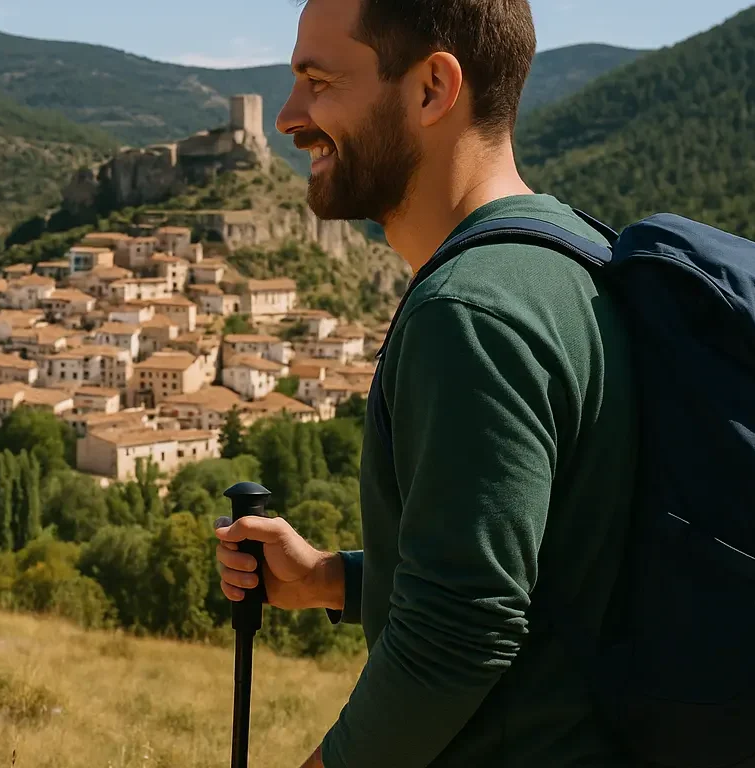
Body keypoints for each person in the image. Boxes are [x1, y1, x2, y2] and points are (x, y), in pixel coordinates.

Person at [213, 1, 637, 766]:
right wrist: (330, 580)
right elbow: (544, 570)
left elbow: (458, 633)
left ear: (432, 89)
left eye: (319, 82)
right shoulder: (574, 252)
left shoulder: (468, 311)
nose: (288, 117)